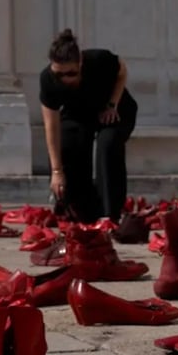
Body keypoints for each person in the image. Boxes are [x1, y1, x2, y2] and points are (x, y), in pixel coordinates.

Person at [39, 29, 138, 223]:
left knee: (107, 144)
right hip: (79, 113)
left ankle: (110, 214)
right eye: (59, 74)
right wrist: (56, 171)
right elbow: (51, 126)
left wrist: (112, 104)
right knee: (69, 142)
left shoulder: (99, 59)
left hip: (114, 108)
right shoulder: (48, 80)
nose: (65, 79)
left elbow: (122, 71)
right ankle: (83, 210)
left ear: (81, 63)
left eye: (71, 73)